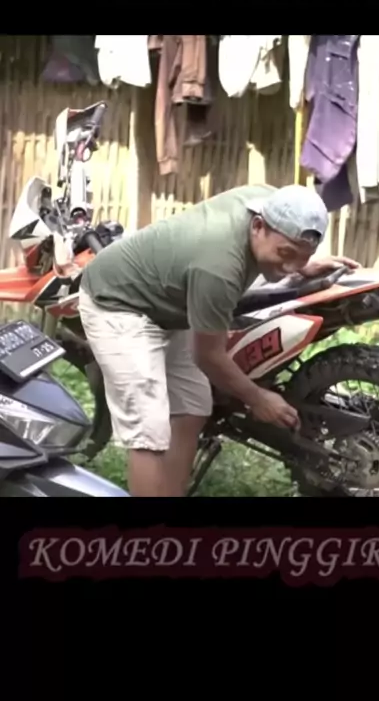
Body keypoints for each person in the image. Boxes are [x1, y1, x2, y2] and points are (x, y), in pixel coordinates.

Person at [78, 183, 359, 497]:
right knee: (149, 430)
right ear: (258, 226)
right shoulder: (219, 268)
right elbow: (207, 356)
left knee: (192, 408)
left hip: (170, 303)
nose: (290, 267)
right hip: (118, 303)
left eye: (301, 256)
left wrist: (302, 263)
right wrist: (257, 398)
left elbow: (288, 240)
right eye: (285, 254)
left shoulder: (275, 203)